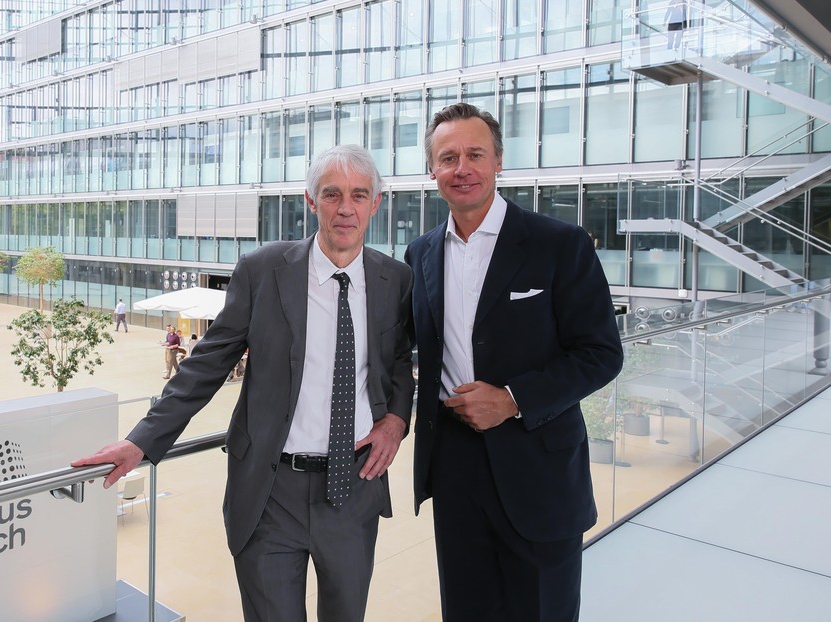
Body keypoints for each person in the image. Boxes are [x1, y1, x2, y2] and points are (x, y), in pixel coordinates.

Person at [73, 144, 415, 622]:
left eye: (359, 195)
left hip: (353, 488)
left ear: (376, 203)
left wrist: (397, 417)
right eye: (332, 194)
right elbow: (207, 364)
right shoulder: (263, 270)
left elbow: (399, 360)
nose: (345, 208)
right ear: (311, 200)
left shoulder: (394, 279)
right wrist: (140, 442)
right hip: (269, 494)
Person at [405, 103, 623, 622]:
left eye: (475, 154)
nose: (463, 168)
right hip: (454, 465)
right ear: (432, 171)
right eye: (448, 157)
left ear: (498, 160)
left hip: (539, 466)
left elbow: (601, 353)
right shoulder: (421, 253)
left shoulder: (559, 244)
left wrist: (512, 400)